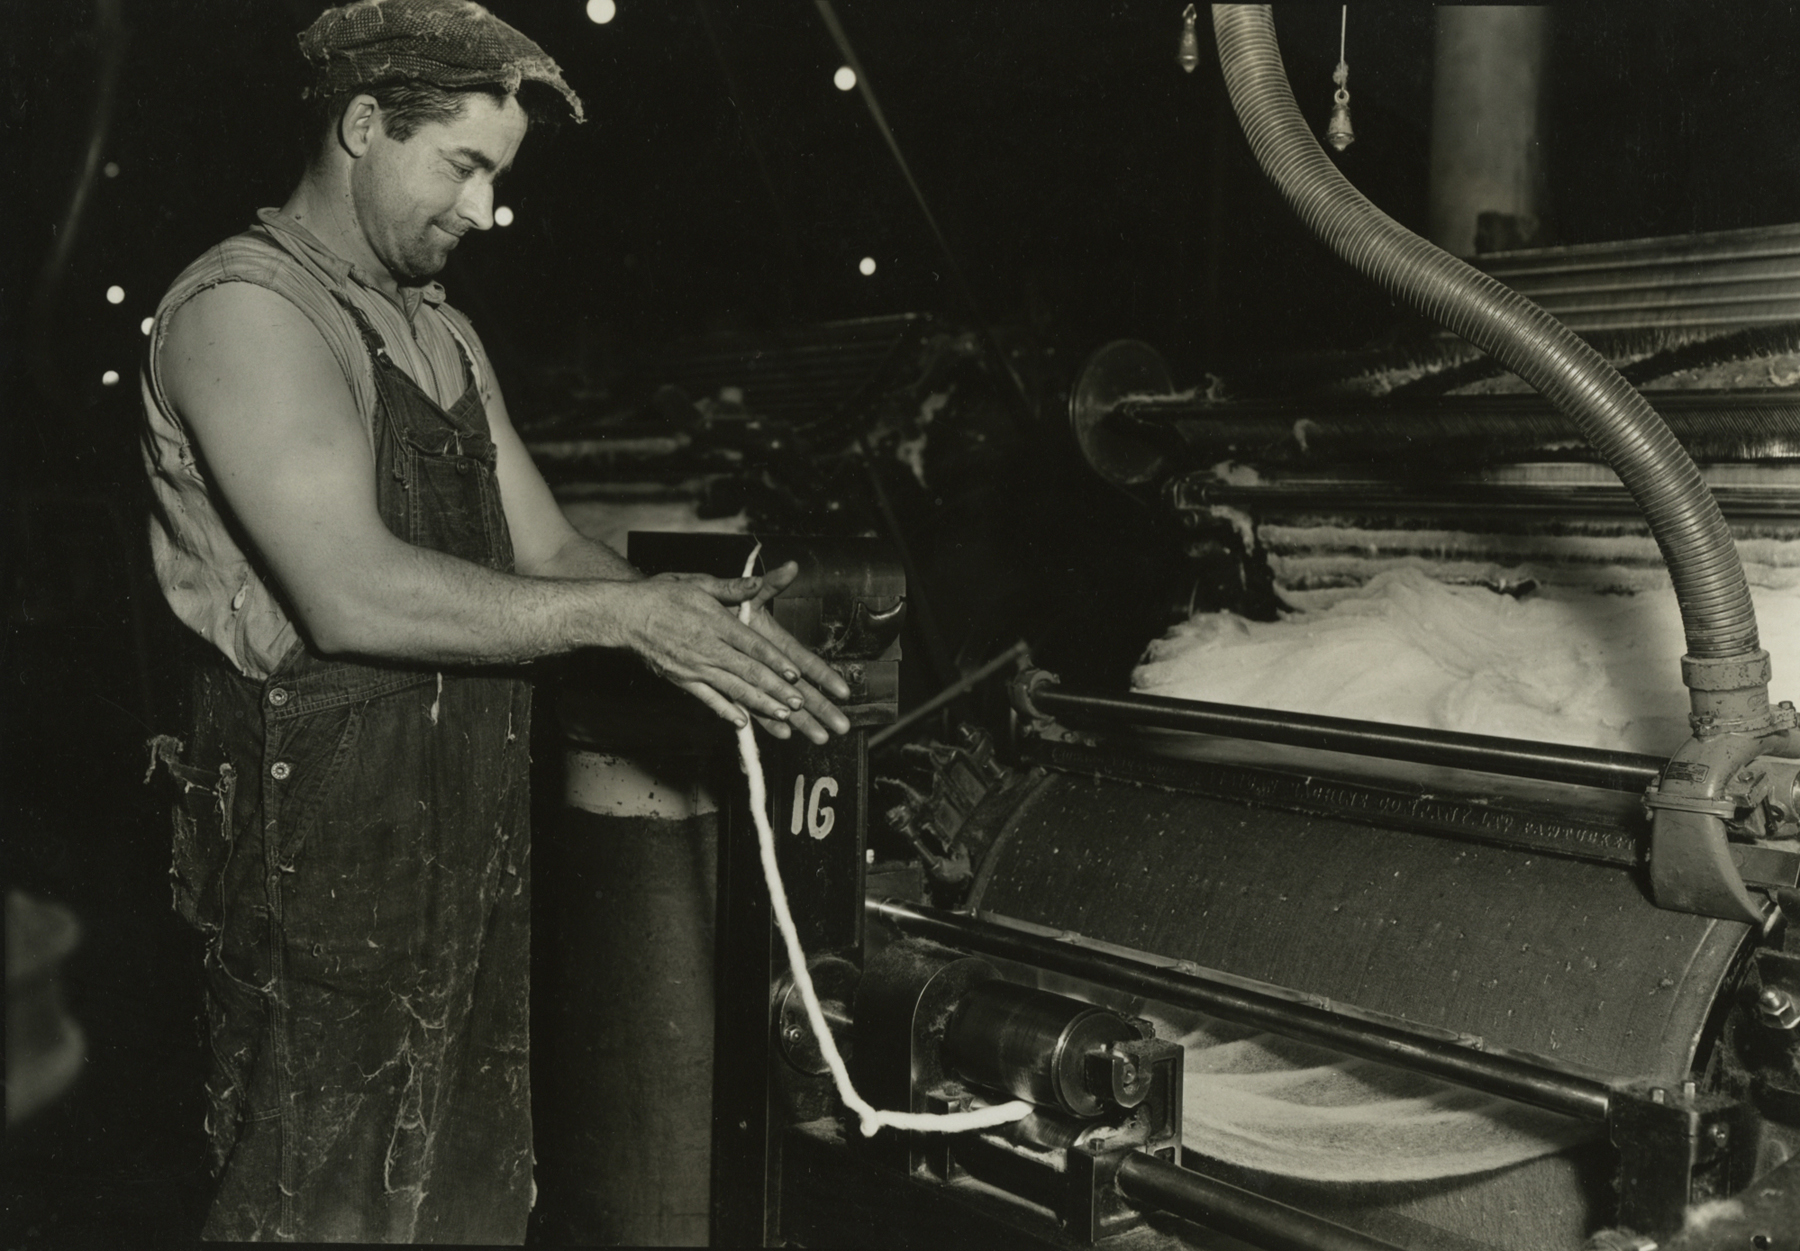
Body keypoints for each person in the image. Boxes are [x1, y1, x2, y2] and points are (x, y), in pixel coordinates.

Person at [139, 0, 850, 1241]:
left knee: (468, 1197)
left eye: (495, 178)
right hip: (315, 852)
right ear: (363, 125)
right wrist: (626, 625)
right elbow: (348, 589)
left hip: (462, 836)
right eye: (461, 167)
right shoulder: (244, 311)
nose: (481, 211)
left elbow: (552, 550)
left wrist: (706, 618)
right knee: (318, 1205)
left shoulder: (442, 333)